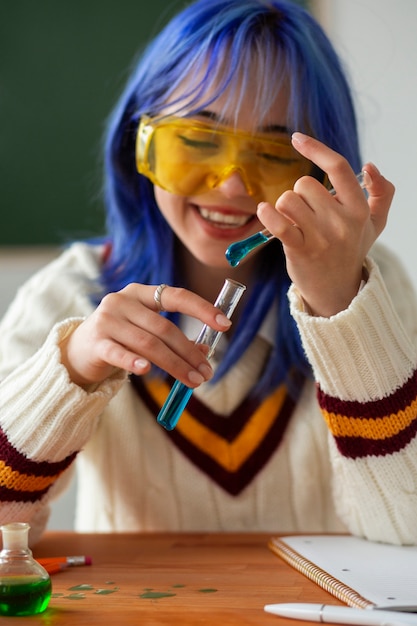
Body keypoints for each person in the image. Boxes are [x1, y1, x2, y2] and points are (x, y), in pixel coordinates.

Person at [1, 0, 417, 547]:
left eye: (272, 155)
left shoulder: (372, 287)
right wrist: (73, 368)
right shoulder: (68, 293)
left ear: (323, 173)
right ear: (137, 145)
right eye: (196, 141)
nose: (232, 188)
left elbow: (406, 532)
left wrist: (340, 304)